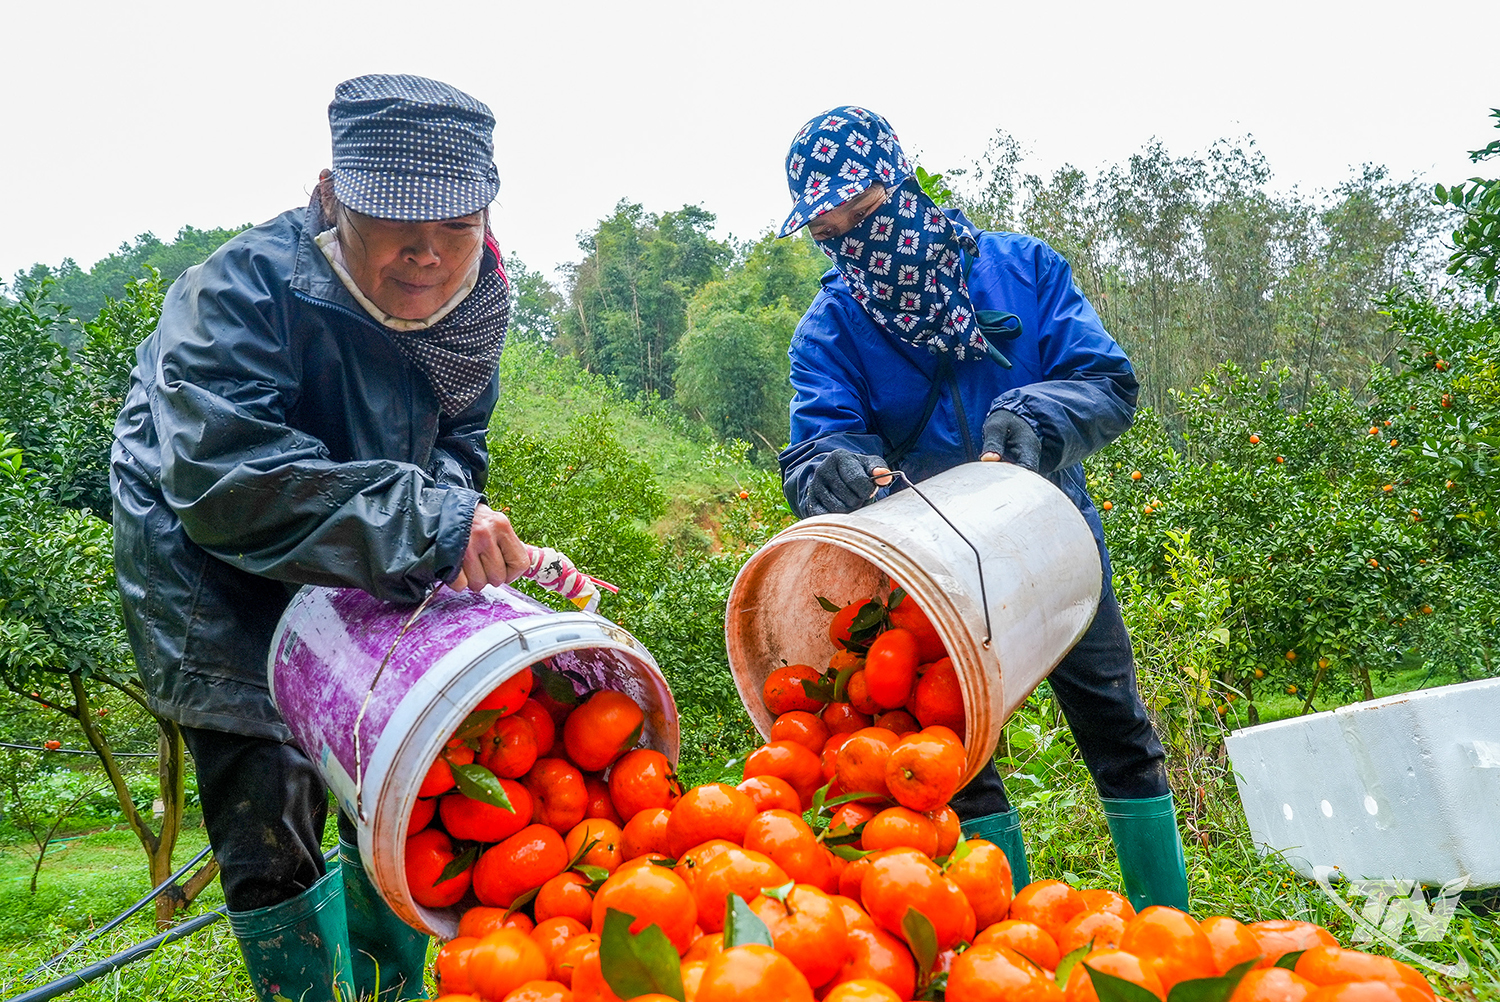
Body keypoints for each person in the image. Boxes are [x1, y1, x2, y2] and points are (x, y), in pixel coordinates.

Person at [111, 75, 530, 1001]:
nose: (429, 255)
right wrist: (426, 521)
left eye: (457, 227)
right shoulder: (236, 293)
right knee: (273, 803)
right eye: (400, 227)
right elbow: (227, 477)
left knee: (395, 781)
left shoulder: (475, 300)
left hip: (366, 565)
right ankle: (302, 986)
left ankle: (393, 986)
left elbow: (457, 441)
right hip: (215, 582)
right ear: (333, 199)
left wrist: (456, 523)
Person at [775, 106, 1190, 910]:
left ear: (905, 185)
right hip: (931, 576)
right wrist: (835, 471)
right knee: (955, 759)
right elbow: (817, 444)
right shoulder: (831, 329)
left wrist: (1036, 414)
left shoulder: (1021, 272)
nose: (858, 241)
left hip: (1051, 542)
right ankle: (1006, 942)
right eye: (834, 234)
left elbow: (1108, 383)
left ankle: (1170, 931)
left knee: (1117, 727)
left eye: (868, 215)